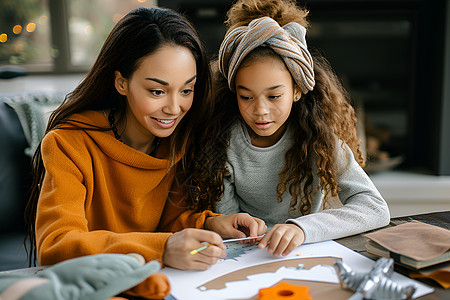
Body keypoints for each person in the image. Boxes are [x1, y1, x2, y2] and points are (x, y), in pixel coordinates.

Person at [23, 6, 266, 298]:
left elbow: (168, 222)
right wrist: (162, 249)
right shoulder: (69, 143)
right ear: (121, 82)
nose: (174, 108)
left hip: (158, 285)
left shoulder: (178, 139)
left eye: (186, 90)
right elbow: (57, 244)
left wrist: (210, 223)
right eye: (157, 91)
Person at [187, 0, 390, 259]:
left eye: (274, 96)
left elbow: (375, 208)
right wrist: (241, 229)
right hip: (250, 256)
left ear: (296, 90)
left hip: (307, 253)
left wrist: (303, 229)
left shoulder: (319, 139)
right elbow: (230, 222)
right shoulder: (222, 143)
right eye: (246, 96)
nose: (260, 110)